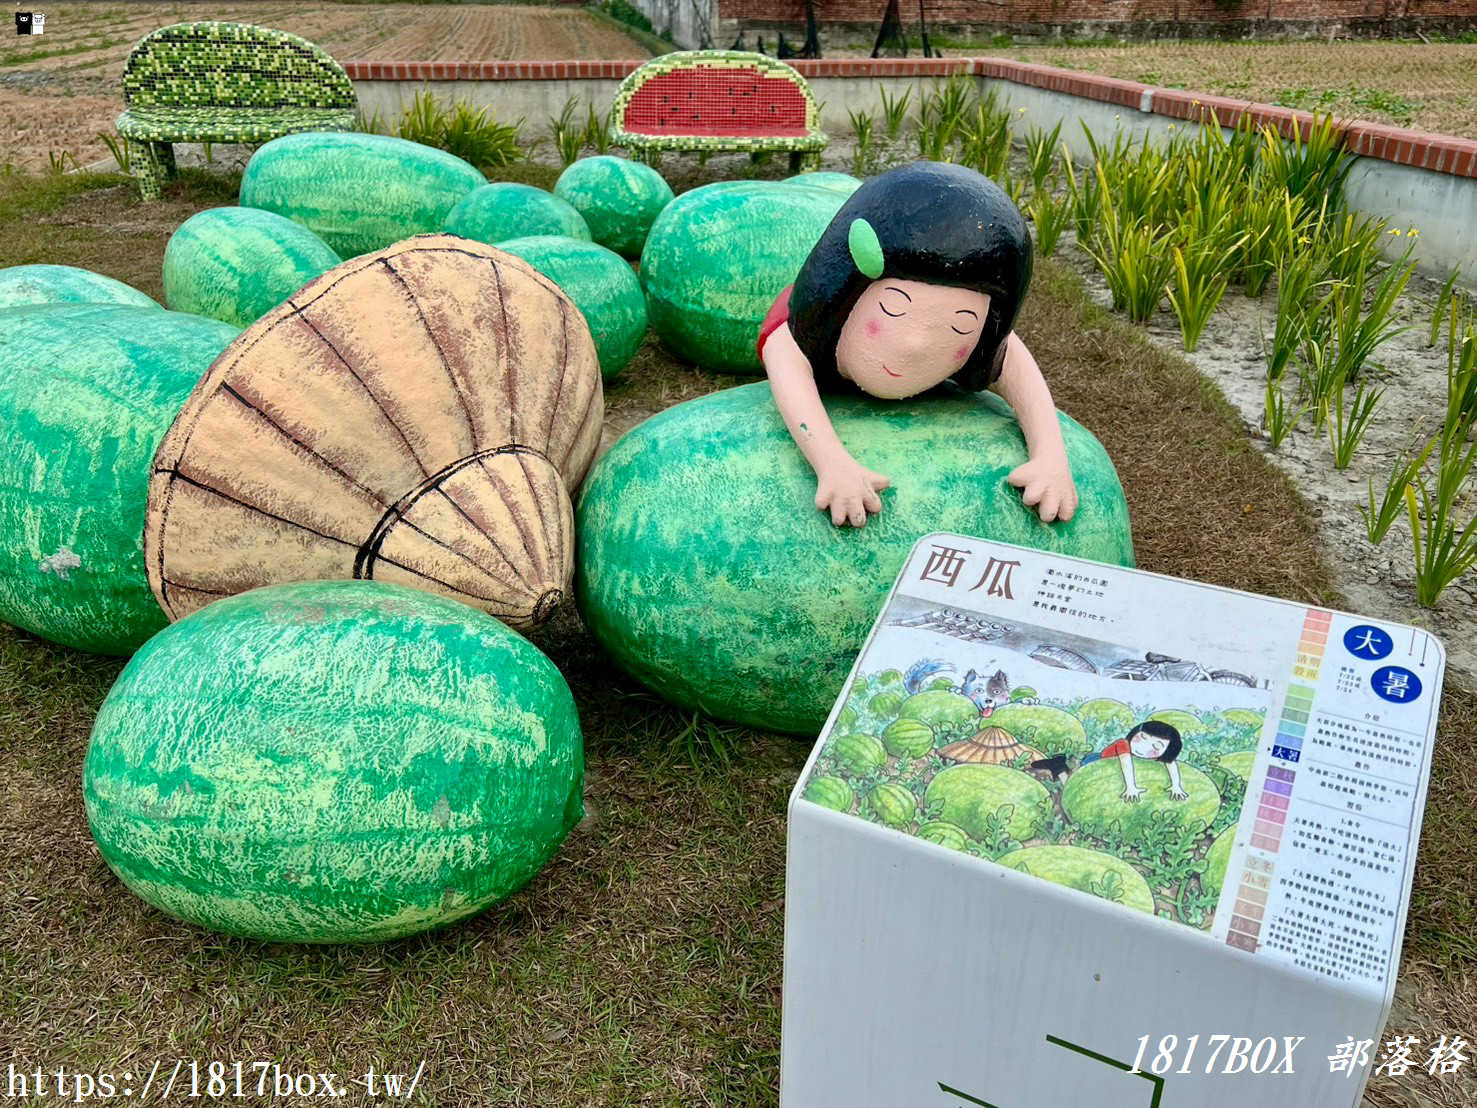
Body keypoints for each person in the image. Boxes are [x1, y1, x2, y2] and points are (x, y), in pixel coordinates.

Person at [757, 160, 1077, 528]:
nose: (915, 344)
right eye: (893, 306)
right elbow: (786, 362)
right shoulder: (800, 332)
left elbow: (1018, 367)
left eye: (961, 324)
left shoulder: (990, 340)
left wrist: (1051, 457)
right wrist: (831, 462)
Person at [1081, 720, 1187, 803]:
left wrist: (1176, 786)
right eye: (1142, 738)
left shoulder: (1163, 755)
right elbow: (1126, 764)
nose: (1143, 747)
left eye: (1156, 746)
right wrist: (1131, 787)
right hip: (1095, 760)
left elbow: (1171, 763)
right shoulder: (1123, 744)